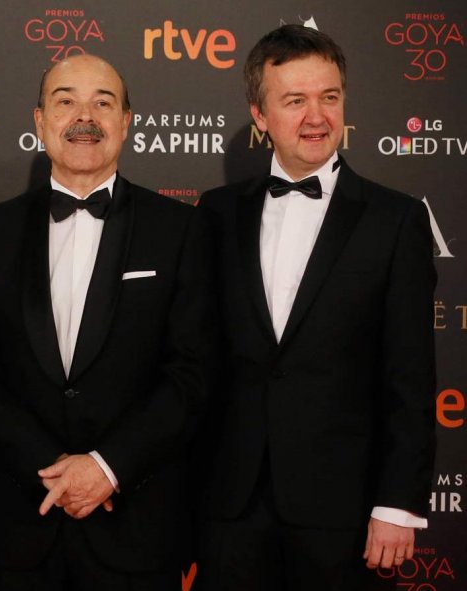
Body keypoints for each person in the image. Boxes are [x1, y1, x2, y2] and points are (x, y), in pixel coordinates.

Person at [0, 54, 214, 590]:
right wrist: (51, 468)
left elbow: (193, 372)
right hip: (19, 527)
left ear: (127, 121)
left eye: (103, 102)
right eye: (65, 100)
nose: (84, 116)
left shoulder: (180, 229)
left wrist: (106, 467)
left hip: (134, 526)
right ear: (39, 120)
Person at [197, 25, 437, 590]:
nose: (316, 116)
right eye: (295, 100)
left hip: (344, 515)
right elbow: (196, 360)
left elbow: (411, 376)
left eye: (329, 97)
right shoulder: (215, 213)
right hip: (230, 509)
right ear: (259, 114)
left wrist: (398, 505)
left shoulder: (395, 220)